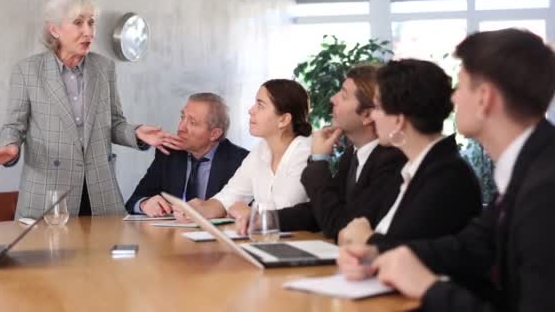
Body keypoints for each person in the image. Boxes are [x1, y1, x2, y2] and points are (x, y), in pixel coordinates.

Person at [339, 29, 555, 312]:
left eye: (461, 86)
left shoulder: (544, 188)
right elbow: (473, 244)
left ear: (484, 98)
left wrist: (429, 288)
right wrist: (378, 252)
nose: (452, 99)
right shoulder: (529, 163)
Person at [0, 0, 182, 218]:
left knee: (105, 253)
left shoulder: (104, 68)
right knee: (47, 254)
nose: (89, 32)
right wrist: (11, 146)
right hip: (49, 194)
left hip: (99, 192)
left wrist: (136, 133)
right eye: (78, 23)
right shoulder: (27, 71)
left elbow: (114, 123)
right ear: (54, 29)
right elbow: (13, 126)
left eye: (91, 22)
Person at [338, 59, 482, 251]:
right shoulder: (412, 169)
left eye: (378, 108)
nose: (372, 116)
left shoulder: (447, 176)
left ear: (398, 120)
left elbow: (411, 253)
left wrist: (367, 239)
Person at [273, 64, 406, 238]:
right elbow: (319, 211)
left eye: (343, 96)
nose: (333, 99)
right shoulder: (352, 154)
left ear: (367, 115)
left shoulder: (392, 161)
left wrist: (319, 160)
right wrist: (266, 218)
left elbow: (339, 226)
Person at [173, 79, 312, 223]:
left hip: (298, 242)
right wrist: (199, 208)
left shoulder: (305, 152)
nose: (251, 110)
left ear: (283, 120)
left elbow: (283, 212)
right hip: (267, 241)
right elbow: (228, 198)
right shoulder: (260, 150)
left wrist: (249, 212)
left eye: (260, 105)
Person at [125, 93, 248, 216]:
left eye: (192, 122)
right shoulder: (169, 153)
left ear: (214, 134)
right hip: (173, 234)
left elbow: (250, 213)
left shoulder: (241, 161)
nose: (181, 128)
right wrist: (144, 204)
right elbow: (133, 201)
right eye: (182, 117)